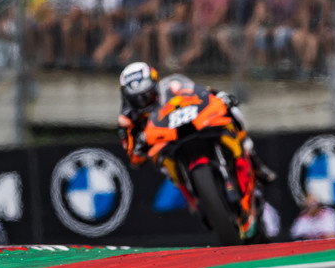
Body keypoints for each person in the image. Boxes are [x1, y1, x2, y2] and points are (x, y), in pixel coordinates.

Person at [116, 61, 275, 182]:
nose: (143, 101)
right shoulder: (126, 120)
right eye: (136, 98)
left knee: (232, 111)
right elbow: (133, 158)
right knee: (161, 164)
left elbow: (201, 92)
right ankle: (188, 190)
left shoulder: (172, 87)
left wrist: (220, 95)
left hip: (190, 125)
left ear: (155, 83)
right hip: (165, 144)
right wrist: (139, 148)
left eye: (147, 94)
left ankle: (254, 160)